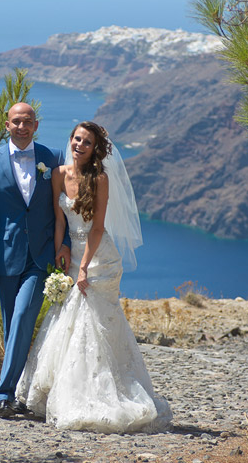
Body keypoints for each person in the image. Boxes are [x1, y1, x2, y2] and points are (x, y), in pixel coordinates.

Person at [15, 121, 173, 433]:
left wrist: (84, 266)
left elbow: (98, 227)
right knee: (67, 320)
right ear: (70, 140)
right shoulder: (59, 174)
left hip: (99, 258)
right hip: (72, 253)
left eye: (87, 142)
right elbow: (59, 218)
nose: (79, 145)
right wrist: (62, 248)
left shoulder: (99, 178)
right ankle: (56, 391)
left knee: (94, 323)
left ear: (94, 148)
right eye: (76, 139)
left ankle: (101, 393)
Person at [0, 102, 71, 419]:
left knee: (23, 314)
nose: (22, 126)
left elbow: (66, 207)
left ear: (36, 125)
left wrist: (66, 244)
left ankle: (1, 396)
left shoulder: (53, 158)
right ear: (7, 125)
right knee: (10, 326)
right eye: (16, 121)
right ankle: (18, 392)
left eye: (27, 121)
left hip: (40, 256)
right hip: (4, 255)